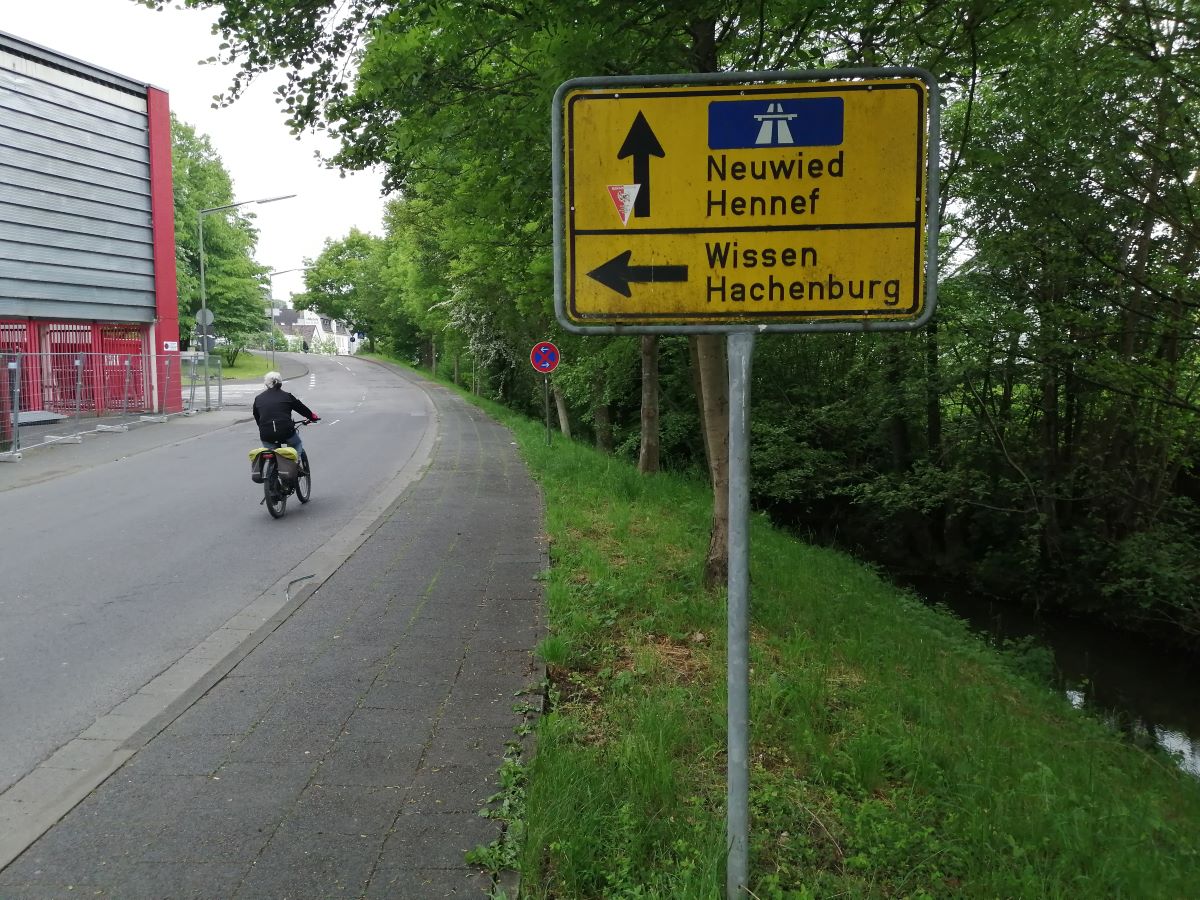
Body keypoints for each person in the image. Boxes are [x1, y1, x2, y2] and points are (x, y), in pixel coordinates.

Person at [252, 371, 319, 471]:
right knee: (297, 444)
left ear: (266, 384)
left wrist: (264, 428)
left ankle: (272, 477)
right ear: (280, 383)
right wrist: (312, 417)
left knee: (272, 452)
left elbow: (257, 417)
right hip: (286, 432)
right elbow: (302, 409)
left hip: (266, 434)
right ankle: (295, 464)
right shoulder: (287, 396)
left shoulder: (258, 398)